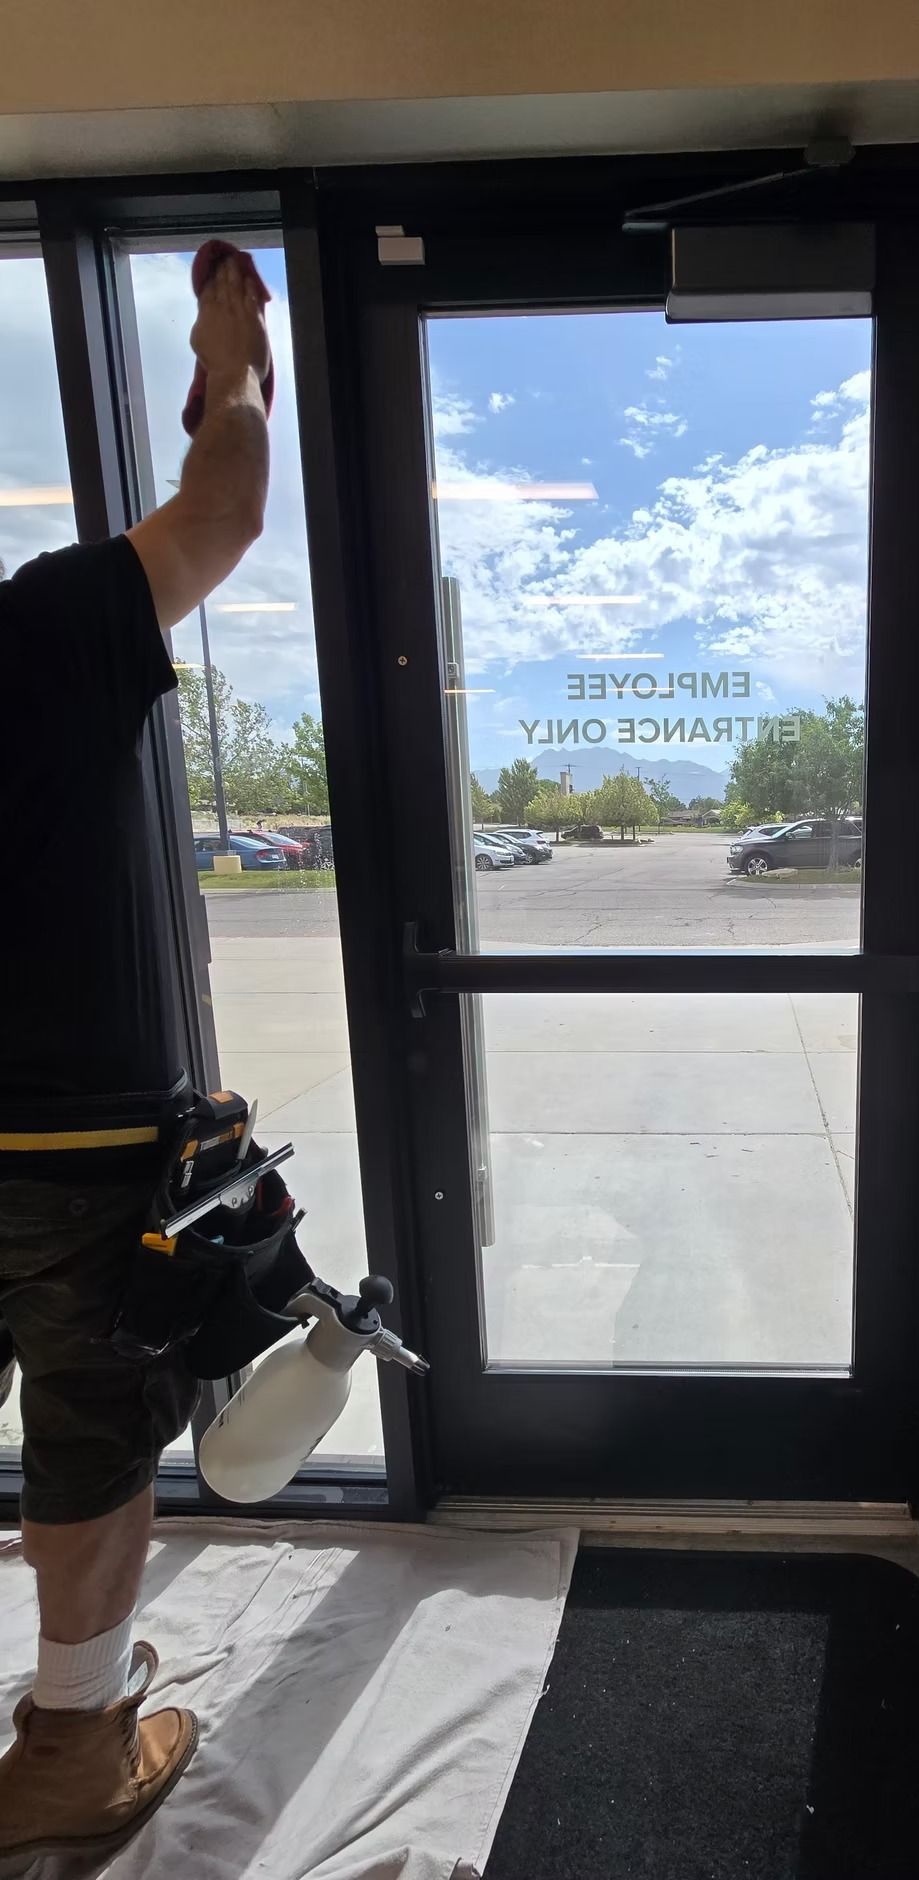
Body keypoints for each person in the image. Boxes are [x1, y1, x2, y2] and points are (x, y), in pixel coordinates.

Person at [0, 256, 271, 1865]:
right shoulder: (46, 626)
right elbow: (224, 506)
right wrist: (228, 346)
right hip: (70, 1154)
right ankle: (67, 1748)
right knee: (92, 1431)